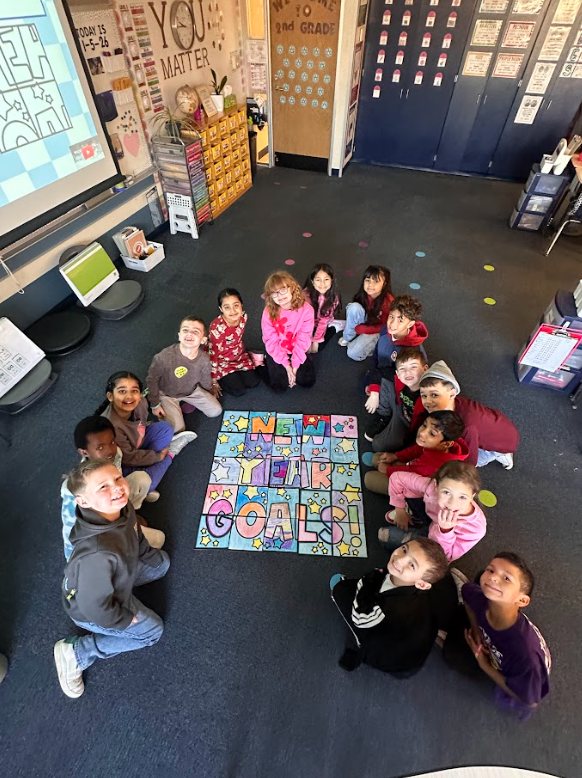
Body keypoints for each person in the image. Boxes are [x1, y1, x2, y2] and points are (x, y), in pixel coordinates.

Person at [53, 460, 170, 699]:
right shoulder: (96, 554)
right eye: (103, 487)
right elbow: (94, 607)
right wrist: (124, 618)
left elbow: (135, 534)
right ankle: (77, 653)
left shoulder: (120, 507)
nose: (116, 488)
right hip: (93, 608)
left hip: (113, 577)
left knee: (162, 563)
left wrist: (149, 555)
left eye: (117, 479)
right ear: (83, 501)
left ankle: (125, 587)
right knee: (152, 632)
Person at [443, 552, 551, 719]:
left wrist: (484, 665)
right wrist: (477, 631)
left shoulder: (525, 657)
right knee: (479, 583)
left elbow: (530, 701)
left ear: (522, 601)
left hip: (519, 670)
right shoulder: (478, 594)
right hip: (497, 643)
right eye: (491, 570)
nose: (493, 577)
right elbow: (466, 594)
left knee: (453, 656)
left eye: (506, 578)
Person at [330, 538, 455, 675]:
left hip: (391, 656)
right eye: (404, 549)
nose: (399, 559)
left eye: (412, 565)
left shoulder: (389, 608)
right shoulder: (416, 589)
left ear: (422, 584)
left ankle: (359, 650)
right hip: (409, 646)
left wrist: (367, 581)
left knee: (340, 591)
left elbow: (360, 618)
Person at [61, 416, 164, 560]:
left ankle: (131, 510)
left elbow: (117, 483)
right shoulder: (75, 490)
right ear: (84, 452)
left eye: (112, 442)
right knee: (159, 539)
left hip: (112, 503)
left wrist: (130, 514)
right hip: (103, 533)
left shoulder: (116, 454)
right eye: (100, 447)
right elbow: (71, 531)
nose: (110, 450)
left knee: (142, 478)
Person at [97, 371, 195, 493]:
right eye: (122, 391)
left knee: (166, 429)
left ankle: (142, 484)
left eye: (134, 391)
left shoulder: (141, 402)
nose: (129, 397)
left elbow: (142, 424)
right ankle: (171, 454)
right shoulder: (111, 426)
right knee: (149, 482)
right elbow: (127, 458)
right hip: (123, 463)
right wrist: (158, 457)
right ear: (110, 396)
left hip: (137, 443)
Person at [415, 361, 519, 469]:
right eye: (424, 396)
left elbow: (470, 463)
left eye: (434, 395)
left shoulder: (466, 425)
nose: (427, 401)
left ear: (452, 394)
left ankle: (501, 454)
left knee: (471, 460)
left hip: (504, 440)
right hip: (496, 422)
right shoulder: (450, 403)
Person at [379, 460, 486, 562]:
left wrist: (445, 530)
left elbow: (445, 556)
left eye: (462, 497)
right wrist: (400, 510)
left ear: (472, 497)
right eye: (446, 492)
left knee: (385, 536)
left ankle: (418, 526)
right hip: (430, 517)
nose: (452, 504)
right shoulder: (430, 486)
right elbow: (396, 478)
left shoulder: (475, 528)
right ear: (436, 485)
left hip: (438, 542)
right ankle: (416, 519)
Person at [147, 316, 222, 431]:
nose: (189, 334)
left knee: (216, 411)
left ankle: (184, 404)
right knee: (178, 429)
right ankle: (173, 408)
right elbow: (152, 380)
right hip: (167, 395)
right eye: (185, 330)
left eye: (196, 331)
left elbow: (205, 378)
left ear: (203, 340)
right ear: (179, 335)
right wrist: (154, 404)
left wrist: (210, 389)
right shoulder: (163, 357)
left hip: (191, 391)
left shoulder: (204, 359)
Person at [365, 411, 468, 493]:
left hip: (417, 487)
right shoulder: (436, 444)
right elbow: (416, 449)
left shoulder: (436, 464)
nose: (422, 433)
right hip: (415, 468)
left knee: (368, 479)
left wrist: (388, 470)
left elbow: (411, 474)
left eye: (432, 433)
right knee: (377, 458)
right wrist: (396, 456)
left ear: (446, 444)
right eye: (424, 425)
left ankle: (407, 504)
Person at [364, 295, 428, 414]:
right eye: (391, 316)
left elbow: (407, 381)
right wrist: (371, 380)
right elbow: (376, 357)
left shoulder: (413, 352)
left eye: (401, 320)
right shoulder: (385, 330)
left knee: (381, 410)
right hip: (381, 373)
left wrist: (376, 387)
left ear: (410, 324)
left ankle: (385, 416)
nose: (392, 324)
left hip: (398, 383)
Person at [261, 270, 316, 392]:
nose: (279, 296)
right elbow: (271, 340)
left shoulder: (307, 310)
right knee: (280, 387)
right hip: (277, 348)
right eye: (274, 293)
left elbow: (303, 338)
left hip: (297, 347)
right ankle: (261, 363)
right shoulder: (268, 312)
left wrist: (295, 366)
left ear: (292, 288)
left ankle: (298, 362)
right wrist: (287, 367)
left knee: (307, 382)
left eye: (283, 290)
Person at [365, 347, 428, 450]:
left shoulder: (429, 395)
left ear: (425, 369)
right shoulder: (398, 377)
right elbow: (379, 372)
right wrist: (374, 394)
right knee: (384, 381)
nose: (407, 372)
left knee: (377, 445)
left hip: (409, 423)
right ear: (397, 374)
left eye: (413, 367)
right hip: (399, 407)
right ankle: (384, 417)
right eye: (402, 369)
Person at [207, 289, 261, 397]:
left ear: (242, 305)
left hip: (239, 355)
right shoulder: (217, 329)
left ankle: (247, 360)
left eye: (236, 305)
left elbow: (237, 337)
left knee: (254, 382)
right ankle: (223, 376)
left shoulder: (244, 316)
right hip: (221, 360)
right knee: (239, 391)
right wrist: (213, 381)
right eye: (227, 307)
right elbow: (213, 356)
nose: (233, 311)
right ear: (221, 309)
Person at [339, 265, 393, 361]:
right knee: (353, 308)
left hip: (378, 331)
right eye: (368, 280)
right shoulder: (364, 295)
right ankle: (348, 337)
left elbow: (386, 327)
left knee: (353, 354)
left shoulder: (388, 303)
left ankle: (374, 348)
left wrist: (364, 329)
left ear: (384, 284)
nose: (370, 284)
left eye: (376, 281)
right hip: (369, 320)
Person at [303, 263, 342, 353]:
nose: (322, 284)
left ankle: (335, 327)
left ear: (331, 280)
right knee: (304, 348)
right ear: (312, 282)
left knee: (318, 348)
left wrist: (315, 341)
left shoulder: (333, 298)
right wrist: (308, 339)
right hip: (308, 323)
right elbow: (304, 320)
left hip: (322, 323)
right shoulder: (305, 295)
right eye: (318, 280)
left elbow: (323, 321)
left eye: (326, 279)